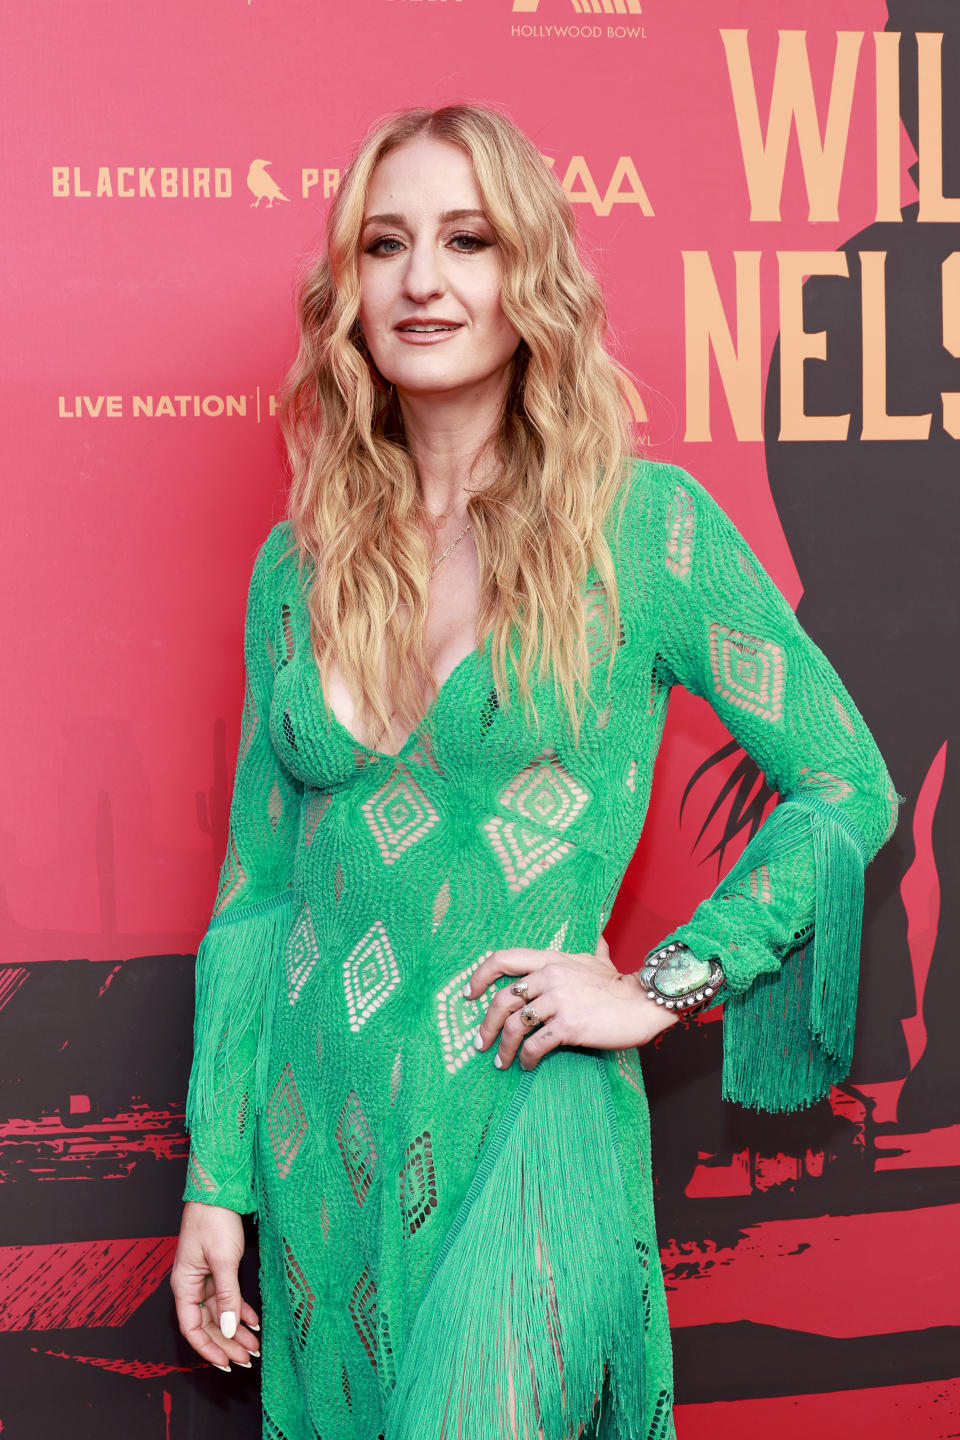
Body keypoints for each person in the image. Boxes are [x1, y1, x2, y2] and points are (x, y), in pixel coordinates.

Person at [169, 102, 900, 1440]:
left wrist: (666, 983)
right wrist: (216, 1178)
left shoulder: (651, 530)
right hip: (318, 1139)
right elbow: (256, 897)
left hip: (522, 1118)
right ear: (348, 290)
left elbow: (847, 787)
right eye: (385, 244)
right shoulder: (305, 565)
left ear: (533, 278)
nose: (423, 281)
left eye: (468, 239)